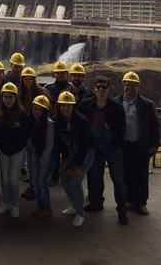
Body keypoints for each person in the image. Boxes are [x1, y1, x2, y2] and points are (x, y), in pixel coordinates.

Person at [78, 75, 128, 225]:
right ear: (94, 88)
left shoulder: (116, 107)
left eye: (104, 87)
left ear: (108, 89)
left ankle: (122, 211)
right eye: (98, 86)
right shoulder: (86, 105)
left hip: (112, 148)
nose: (101, 89)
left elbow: (122, 128)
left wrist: (115, 140)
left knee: (118, 180)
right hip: (95, 147)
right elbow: (80, 124)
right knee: (95, 177)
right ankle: (97, 202)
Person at [114, 71, 160, 216]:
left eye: (133, 85)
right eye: (127, 85)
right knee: (126, 173)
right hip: (123, 145)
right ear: (123, 86)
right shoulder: (116, 102)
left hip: (140, 144)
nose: (129, 88)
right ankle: (129, 200)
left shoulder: (146, 104)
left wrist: (154, 144)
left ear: (138, 87)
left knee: (141, 175)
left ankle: (141, 202)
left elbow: (155, 125)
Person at [0, 82, 32, 218]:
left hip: (18, 150)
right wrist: (2, 145)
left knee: (13, 178)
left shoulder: (22, 115)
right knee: (4, 178)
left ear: (15, 98)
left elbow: (25, 135)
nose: (7, 100)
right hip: (3, 149)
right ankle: (5, 201)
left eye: (10, 97)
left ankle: (14, 204)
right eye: (5, 97)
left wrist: (13, 148)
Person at [54, 91, 95, 227]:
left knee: (76, 181)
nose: (65, 108)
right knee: (65, 179)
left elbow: (85, 145)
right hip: (71, 152)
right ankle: (75, 204)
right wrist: (65, 160)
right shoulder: (59, 120)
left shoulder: (81, 121)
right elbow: (61, 143)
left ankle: (80, 213)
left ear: (73, 106)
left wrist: (77, 165)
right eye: (63, 105)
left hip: (86, 153)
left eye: (68, 105)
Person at [27, 95, 54, 219]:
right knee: (34, 181)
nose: (36, 111)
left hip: (48, 156)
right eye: (35, 108)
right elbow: (28, 137)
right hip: (36, 153)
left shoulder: (49, 125)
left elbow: (49, 145)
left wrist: (42, 162)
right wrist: (31, 147)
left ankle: (47, 207)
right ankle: (40, 205)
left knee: (42, 181)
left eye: (40, 109)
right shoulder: (31, 121)